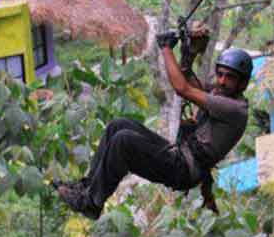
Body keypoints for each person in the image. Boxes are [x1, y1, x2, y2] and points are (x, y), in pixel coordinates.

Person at [56, 34, 253, 219]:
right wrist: (189, 52)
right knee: (118, 125)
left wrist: (165, 48)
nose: (222, 81)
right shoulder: (222, 94)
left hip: (184, 169)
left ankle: (92, 203)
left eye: (230, 77)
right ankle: (87, 187)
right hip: (179, 154)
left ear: (243, 84)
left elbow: (182, 88)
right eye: (220, 74)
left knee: (124, 141)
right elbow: (189, 81)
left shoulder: (234, 109)